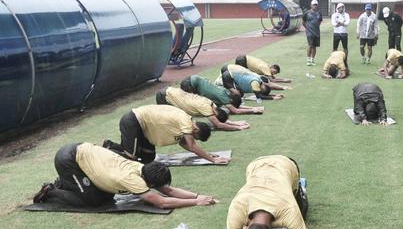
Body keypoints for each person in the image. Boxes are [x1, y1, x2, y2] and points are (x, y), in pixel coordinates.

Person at [32, 142, 218, 208]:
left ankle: (70, 183)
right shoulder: (132, 180)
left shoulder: (143, 169)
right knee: (92, 201)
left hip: (85, 155)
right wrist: (195, 202)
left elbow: (168, 191)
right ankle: (52, 191)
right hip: (69, 159)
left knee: (106, 196)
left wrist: (197, 195)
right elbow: (161, 201)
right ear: (149, 183)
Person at [103, 105, 229, 165]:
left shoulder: (186, 125)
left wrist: (207, 154)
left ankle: (111, 146)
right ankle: (107, 149)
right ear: (195, 129)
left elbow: (184, 143)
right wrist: (212, 160)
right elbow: (192, 146)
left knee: (149, 158)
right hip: (134, 121)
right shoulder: (186, 122)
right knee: (131, 157)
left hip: (145, 129)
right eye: (194, 137)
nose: (191, 138)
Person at [156, 87, 249, 131]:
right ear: (215, 115)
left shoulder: (213, 106)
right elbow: (219, 125)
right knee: (166, 119)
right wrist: (239, 128)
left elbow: (220, 121)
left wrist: (236, 123)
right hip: (165, 95)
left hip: (173, 91)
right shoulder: (207, 109)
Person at [180, 75, 263, 115]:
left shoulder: (226, 92)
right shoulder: (223, 96)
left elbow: (235, 107)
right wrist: (252, 111)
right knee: (190, 102)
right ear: (230, 100)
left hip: (194, 80)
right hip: (190, 84)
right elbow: (235, 110)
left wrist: (254, 107)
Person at [219, 64, 290, 100]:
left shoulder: (259, 79)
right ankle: (222, 95)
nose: (259, 90)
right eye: (261, 90)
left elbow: (262, 93)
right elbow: (259, 97)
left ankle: (224, 87)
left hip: (231, 68)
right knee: (238, 95)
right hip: (229, 72)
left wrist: (274, 95)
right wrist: (273, 97)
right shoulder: (255, 83)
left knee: (239, 92)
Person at [303, 0, 323, 66]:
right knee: (310, 45)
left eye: (316, 5)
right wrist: (307, 28)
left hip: (317, 32)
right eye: (314, 5)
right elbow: (303, 22)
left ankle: (312, 60)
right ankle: (308, 60)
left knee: (314, 46)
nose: (315, 6)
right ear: (311, 5)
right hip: (309, 32)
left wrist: (316, 27)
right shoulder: (307, 13)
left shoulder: (319, 13)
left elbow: (320, 21)